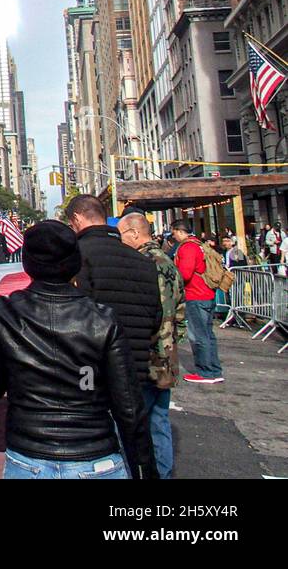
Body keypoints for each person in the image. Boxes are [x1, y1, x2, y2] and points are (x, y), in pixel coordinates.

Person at [0, 220, 156, 480]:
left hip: (28, 455)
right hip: (94, 455)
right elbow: (128, 406)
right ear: (75, 263)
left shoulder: (5, 313)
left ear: (27, 263)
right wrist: (144, 468)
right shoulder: (103, 319)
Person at [65, 194, 162, 400]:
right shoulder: (145, 263)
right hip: (135, 366)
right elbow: (156, 317)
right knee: (135, 428)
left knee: (100, 428)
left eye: (71, 224)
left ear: (77, 218)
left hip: (92, 371)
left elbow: (72, 317)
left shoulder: (74, 258)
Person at [118, 211, 186, 480]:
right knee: (159, 421)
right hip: (167, 356)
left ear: (135, 233)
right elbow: (180, 311)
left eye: (122, 234)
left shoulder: (143, 263)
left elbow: (144, 312)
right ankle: (162, 473)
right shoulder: (168, 262)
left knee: (136, 423)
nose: (120, 240)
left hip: (146, 355)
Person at [171, 222, 223, 384]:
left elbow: (185, 274)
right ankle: (214, 369)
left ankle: (205, 372)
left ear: (180, 232)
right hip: (206, 293)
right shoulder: (199, 244)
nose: (173, 237)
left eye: (174, 233)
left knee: (198, 335)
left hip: (195, 295)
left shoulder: (187, 248)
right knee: (208, 334)